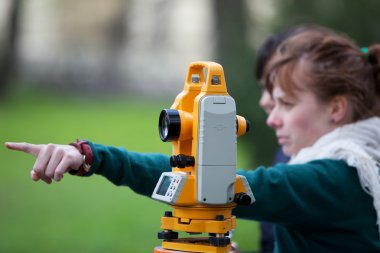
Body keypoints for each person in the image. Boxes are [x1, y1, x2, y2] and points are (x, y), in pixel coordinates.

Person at [5, 25, 380, 252]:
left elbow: (212, 187)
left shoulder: (335, 178)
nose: (272, 118)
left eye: (286, 103)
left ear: (336, 109)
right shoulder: (357, 165)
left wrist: (94, 157)